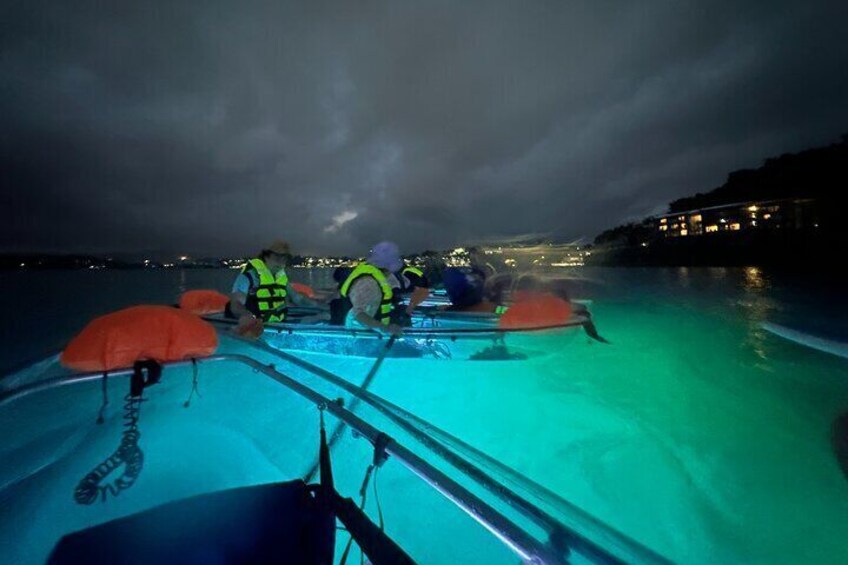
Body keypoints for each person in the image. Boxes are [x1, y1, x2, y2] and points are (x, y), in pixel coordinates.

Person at [227, 240, 321, 330]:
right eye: (277, 257)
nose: (280, 262)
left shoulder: (280, 277)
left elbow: (298, 298)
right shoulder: (249, 276)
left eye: (284, 258)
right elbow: (235, 304)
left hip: (279, 324)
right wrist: (246, 315)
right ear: (266, 257)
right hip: (257, 325)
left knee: (319, 318)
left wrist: (319, 306)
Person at [339, 241, 404, 336]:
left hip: (372, 328)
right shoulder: (368, 282)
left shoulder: (383, 277)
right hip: (359, 332)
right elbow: (359, 314)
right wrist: (384, 328)